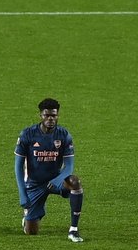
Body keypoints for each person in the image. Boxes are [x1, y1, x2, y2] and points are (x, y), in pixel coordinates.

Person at [14, 97, 85, 242]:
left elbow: (69, 165)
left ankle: (73, 230)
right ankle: (31, 213)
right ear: (40, 115)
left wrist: (58, 179)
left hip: (56, 181)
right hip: (34, 184)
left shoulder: (64, 135)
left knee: (75, 182)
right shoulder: (27, 135)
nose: (50, 118)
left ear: (57, 115)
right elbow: (18, 166)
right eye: (47, 115)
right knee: (31, 232)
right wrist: (22, 193)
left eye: (54, 115)